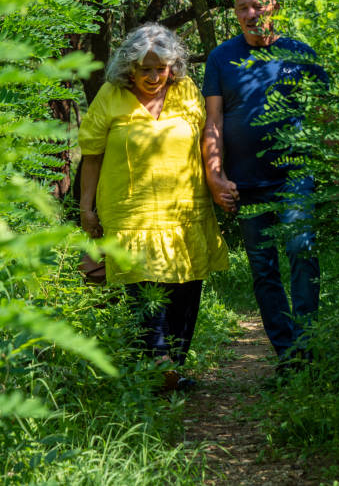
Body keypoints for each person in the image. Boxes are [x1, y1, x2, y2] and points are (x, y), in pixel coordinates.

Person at [78, 23, 228, 389]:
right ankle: (160, 363)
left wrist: (219, 181)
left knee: (185, 290)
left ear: (172, 66)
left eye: (159, 68)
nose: (152, 76)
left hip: (185, 212)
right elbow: (92, 155)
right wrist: (86, 206)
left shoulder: (188, 92)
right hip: (131, 216)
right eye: (144, 68)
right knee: (145, 293)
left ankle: (171, 368)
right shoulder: (111, 95)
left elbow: (209, 138)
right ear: (129, 66)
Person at [202, 0, 328, 373]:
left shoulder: (300, 53)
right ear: (236, 13)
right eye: (243, 8)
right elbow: (214, 123)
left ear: (273, 6)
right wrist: (216, 176)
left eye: (258, 5)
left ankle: (307, 345)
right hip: (247, 183)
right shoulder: (221, 58)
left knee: (300, 251)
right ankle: (288, 355)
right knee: (263, 269)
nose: (251, 14)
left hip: (296, 175)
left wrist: (335, 167)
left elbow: (327, 117)